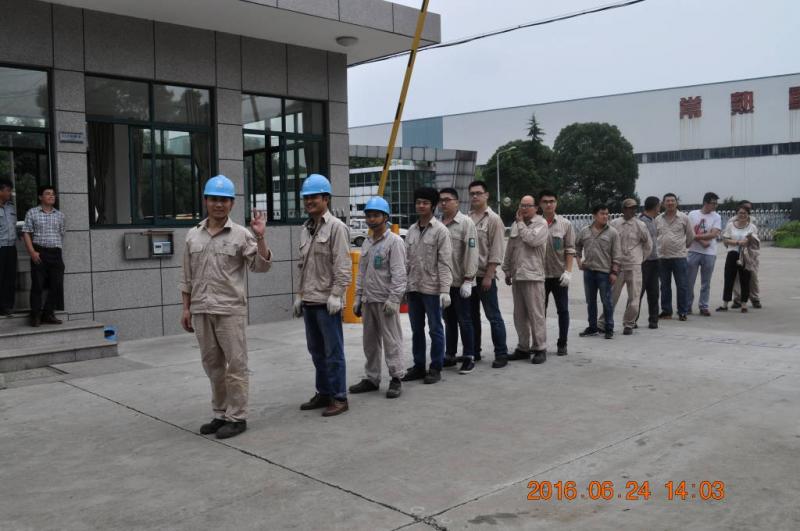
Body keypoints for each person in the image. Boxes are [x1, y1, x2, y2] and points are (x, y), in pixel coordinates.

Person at [179, 175, 272, 439]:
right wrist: (186, 308)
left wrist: (260, 237)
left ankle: (237, 417)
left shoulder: (242, 234)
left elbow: (260, 266)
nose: (218, 204)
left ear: (232, 204)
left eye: (224, 200)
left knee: (236, 365)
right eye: (214, 199)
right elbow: (186, 276)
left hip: (230, 310)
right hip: (201, 309)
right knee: (213, 366)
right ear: (205, 201)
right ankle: (220, 414)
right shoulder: (193, 235)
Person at [293, 174, 352, 417]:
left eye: (314, 197)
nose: (309, 201)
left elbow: (343, 266)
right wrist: (300, 295)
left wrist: (337, 294)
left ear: (326, 198)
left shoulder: (337, 228)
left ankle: (339, 397)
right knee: (316, 351)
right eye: (306, 197)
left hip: (328, 302)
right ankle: (324, 392)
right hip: (310, 300)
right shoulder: (305, 229)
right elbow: (303, 266)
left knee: (333, 352)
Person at [349, 197, 407, 399]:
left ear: (385, 217)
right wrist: (357, 297)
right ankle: (372, 378)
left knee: (392, 341)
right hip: (368, 300)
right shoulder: (367, 242)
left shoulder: (395, 242)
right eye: (368, 216)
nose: (371, 219)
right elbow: (362, 273)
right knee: (370, 342)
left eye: (375, 215)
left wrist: (394, 299)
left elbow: (399, 274)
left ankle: (396, 377)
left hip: (385, 301)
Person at [403, 187, 453, 385]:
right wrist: (403, 288)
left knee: (435, 329)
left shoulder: (441, 231)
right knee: (416, 329)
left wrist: (445, 290)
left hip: (432, 289)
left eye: (425, 202)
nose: (421, 206)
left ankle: (436, 367)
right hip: (414, 288)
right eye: (418, 202)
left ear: (433, 206)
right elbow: (406, 262)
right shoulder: (411, 231)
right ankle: (418, 366)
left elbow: (445, 262)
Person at [467, 181, 510, 368]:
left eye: (478, 193)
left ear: (486, 195)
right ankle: (474, 352)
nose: (475, 196)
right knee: (471, 317)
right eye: (472, 193)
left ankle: (501, 353)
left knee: (493, 316)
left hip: (485, 276)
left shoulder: (493, 219)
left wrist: (489, 276)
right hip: (469, 277)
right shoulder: (467, 218)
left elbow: (497, 250)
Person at [502, 195, 549, 363]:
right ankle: (523, 347)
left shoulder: (541, 223)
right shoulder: (516, 225)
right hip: (518, 275)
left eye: (528, 205)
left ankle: (540, 348)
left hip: (533, 276)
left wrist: (521, 223)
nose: (524, 208)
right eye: (522, 205)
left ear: (536, 208)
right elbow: (510, 248)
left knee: (536, 314)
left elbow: (532, 240)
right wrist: (507, 269)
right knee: (519, 315)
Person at [440, 187, 479, 374]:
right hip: (444, 284)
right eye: (441, 200)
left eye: (448, 199)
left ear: (456, 202)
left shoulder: (466, 223)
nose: (444, 203)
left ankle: (469, 356)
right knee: (449, 321)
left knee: (465, 320)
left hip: (461, 282)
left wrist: (469, 279)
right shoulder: (438, 224)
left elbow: (472, 251)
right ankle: (450, 355)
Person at [599, 198, 652, 335]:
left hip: (634, 265)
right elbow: (607, 243)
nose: (632, 210)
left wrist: (640, 259)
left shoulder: (640, 225)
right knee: (611, 296)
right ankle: (603, 322)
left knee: (634, 297)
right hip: (618, 266)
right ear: (623, 209)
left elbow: (648, 245)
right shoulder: (614, 224)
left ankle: (629, 323)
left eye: (634, 208)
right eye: (629, 208)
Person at [22, 185, 65, 327]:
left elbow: (61, 234)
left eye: (53, 194)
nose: (52, 196)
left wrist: (56, 249)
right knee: (38, 285)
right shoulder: (32, 213)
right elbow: (26, 233)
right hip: (39, 252)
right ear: (40, 197)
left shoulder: (60, 215)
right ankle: (35, 315)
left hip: (56, 253)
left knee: (56, 285)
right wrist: (32, 252)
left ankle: (48, 314)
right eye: (48, 193)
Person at [575, 205, 621, 339]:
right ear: (594, 216)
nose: (605, 216)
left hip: (604, 272)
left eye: (607, 214)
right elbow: (577, 246)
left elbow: (617, 254)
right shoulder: (585, 231)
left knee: (607, 301)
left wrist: (614, 272)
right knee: (591, 301)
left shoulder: (612, 232)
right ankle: (592, 327)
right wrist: (578, 261)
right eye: (602, 214)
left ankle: (609, 328)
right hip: (588, 271)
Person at [539, 189, 575, 355]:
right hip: (539, 276)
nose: (549, 204)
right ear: (540, 204)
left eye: (552, 201)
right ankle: (540, 343)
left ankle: (562, 343)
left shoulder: (565, 224)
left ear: (556, 203)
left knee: (563, 310)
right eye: (545, 201)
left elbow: (570, 249)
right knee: (540, 312)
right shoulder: (535, 222)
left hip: (559, 275)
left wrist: (568, 272)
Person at [656, 193, 694, 321]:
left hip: (679, 257)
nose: (670, 203)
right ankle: (666, 311)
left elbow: (690, 236)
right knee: (664, 286)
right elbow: (655, 235)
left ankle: (682, 311)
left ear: (676, 203)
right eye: (667, 201)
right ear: (663, 203)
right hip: (662, 257)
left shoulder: (684, 218)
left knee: (682, 285)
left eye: (672, 200)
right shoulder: (658, 219)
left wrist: (683, 247)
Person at [718, 205, 759, 313]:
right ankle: (725, 304)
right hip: (732, 253)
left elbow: (755, 242)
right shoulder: (730, 225)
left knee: (745, 279)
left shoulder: (752, 227)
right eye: (740, 213)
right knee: (729, 278)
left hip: (746, 255)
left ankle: (744, 304)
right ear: (737, 214)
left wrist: (748, 240)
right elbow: (726, 239)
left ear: (748, 215)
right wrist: (738, 242)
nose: (742, 215)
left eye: (745, 213)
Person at [687, 192, 722, 316]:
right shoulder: (692, 214)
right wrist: (702, 241)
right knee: (689, 281)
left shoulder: (716, 216)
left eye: (716, 203)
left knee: (706, 282)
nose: (715, 206)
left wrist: (696, 237)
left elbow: (714, 234)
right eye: (713, 203)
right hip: (694, 251)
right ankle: (687, 305)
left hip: (709, 253)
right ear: (705, 203)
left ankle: (704, 306)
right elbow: (689, 231)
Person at [636, 196, 661, 329]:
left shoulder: (653, 220)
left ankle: (653, 319)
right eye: (659, 206)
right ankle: (632, 319)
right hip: (644, 262)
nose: (659, 208)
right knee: (638, 292)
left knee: (654, 292)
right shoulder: (641, 222)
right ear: (655, 207)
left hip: (654, 260)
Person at [732, 200, 762, 309]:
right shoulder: (732, 222)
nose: (745, 212)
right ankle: (738, 299)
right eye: (744, 209)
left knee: (752, 276)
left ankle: (755, 298)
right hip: (736, 252)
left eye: (748, 209)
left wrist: (749, 240)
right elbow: (727, 237)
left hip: (750, 253)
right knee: (737, 277)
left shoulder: (753, 222)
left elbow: (757, 239)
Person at [0, 178, 17, 317]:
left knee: (10, 278)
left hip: (11, 247)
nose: (10, 193)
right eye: (8, 190)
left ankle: (7, 306)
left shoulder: (11, 207)